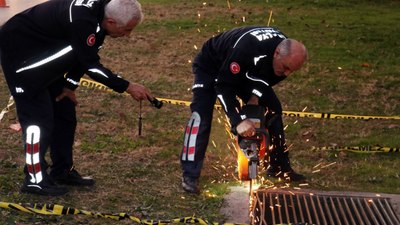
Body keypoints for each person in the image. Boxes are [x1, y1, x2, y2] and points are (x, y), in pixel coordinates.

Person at [0, 0, 154, 196]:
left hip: (46, 54)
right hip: (22, 57)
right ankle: (34, 179)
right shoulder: (83, 19)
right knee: (38, 122)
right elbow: (91, 64)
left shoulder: (100, 15)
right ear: (112, 21)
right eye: (127, 29)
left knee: (64, 113)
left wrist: (69, 85)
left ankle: (62, 171)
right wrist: (127, 86)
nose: (127, 35)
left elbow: (86, 53)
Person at [180, 26, 308, 194]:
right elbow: (223, 86)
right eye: (285, 67)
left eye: (292, 70)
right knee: (201, 114)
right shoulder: (246, 49)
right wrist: (238, 120)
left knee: (273, 108)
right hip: (212, 67)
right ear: (276, 53)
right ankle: (190, 175)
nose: (286, 73)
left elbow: (265, 81)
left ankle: (278, 166)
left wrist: (253, 99)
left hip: (244, 70)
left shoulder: (283, 56)